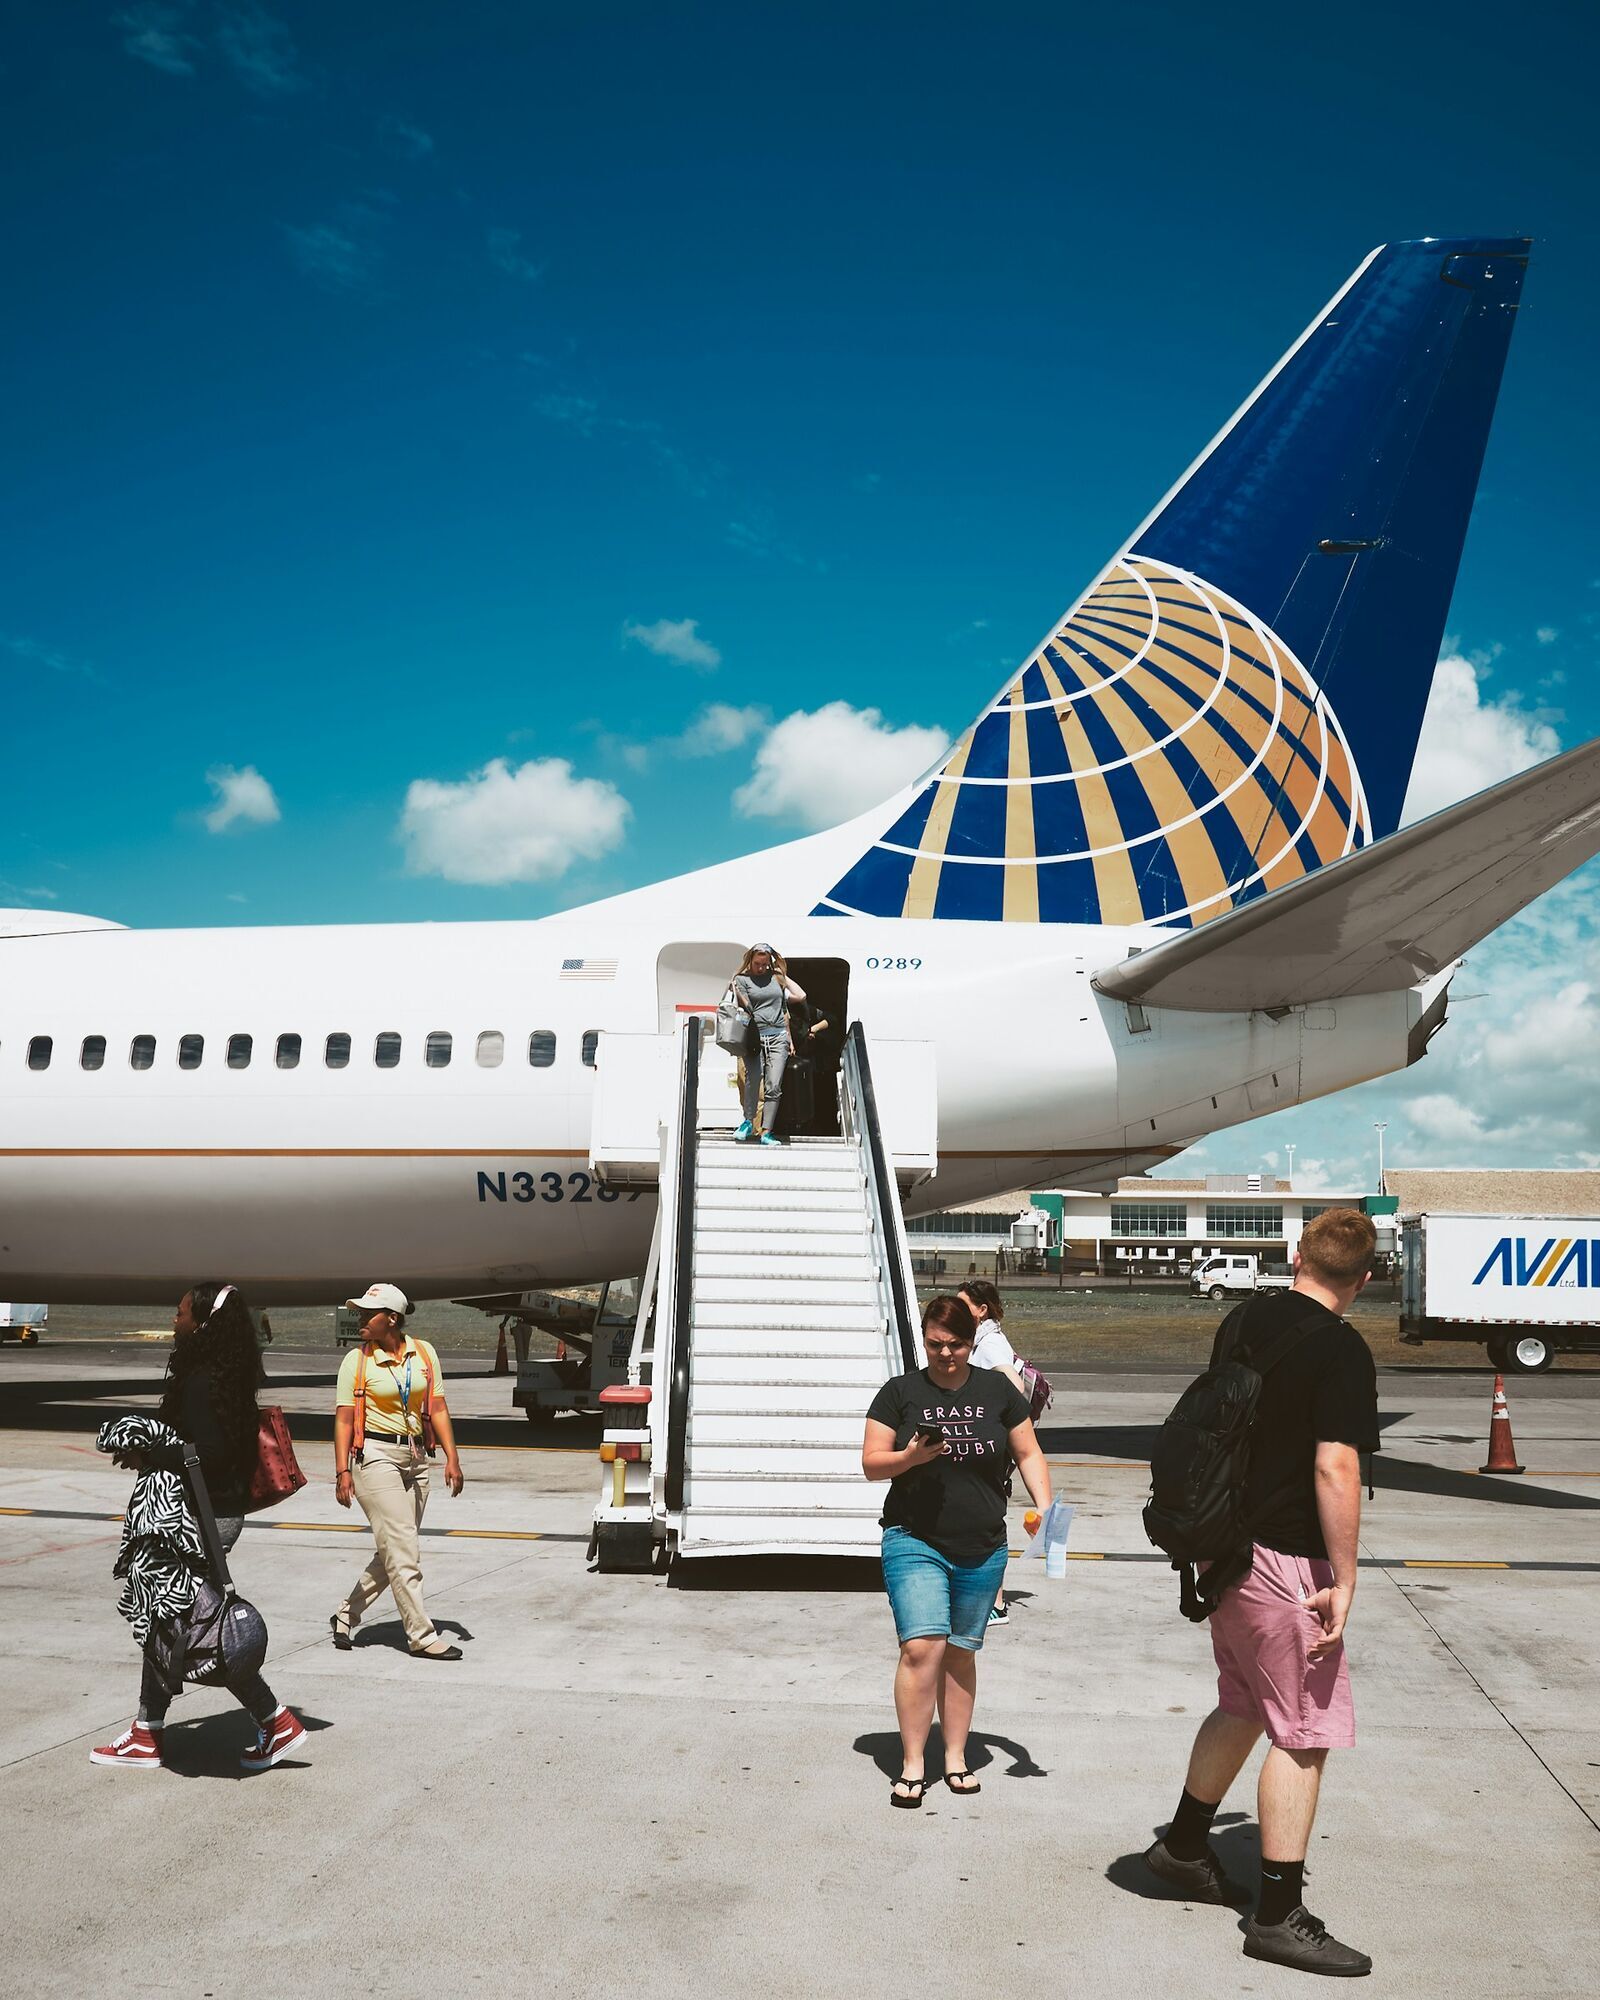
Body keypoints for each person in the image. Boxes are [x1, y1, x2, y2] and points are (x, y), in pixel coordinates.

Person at [1143, 1209, 1379, 1977]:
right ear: (1366, 1279)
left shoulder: (1244, 1319)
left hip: (1227, 1550)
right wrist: (1344, 1578)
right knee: (1303, 1732)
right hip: (1285, 1559)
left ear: (1296, 1254)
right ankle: (1278, 1915)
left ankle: (1182, 1847)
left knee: (1244, 1700)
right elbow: (1334, 1468)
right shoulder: (1342, 1349)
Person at [90, 1283, 306, 1772]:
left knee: (192, 1625)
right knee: (169, 1621)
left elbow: (204, 1454)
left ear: (203, 1322)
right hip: (215, 1513)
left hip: (197, 1518)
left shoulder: (203, 1379)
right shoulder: (224, 1375)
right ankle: (150, 1731)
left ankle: (272, 1720)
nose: (174, 1318)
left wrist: (146, 1450)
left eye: (181, 1311)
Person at [861, 1294, 1052, 1807]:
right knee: (922, 1648)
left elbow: (1029, 1451)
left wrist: (1046, 1509)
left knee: (961, 1651)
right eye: (936, 1344)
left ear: (973, 1340)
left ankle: (956, 1757)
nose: (946, 1355)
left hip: (982, 1545)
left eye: (957, 1345)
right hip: (914, 1538)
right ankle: (913, 1763)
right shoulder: (899, 1393)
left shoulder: (997, 1391)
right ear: (924, 1340)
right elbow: (872, 1464)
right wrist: (909, 1456)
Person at [331, 1283, 466, 1660]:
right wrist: (342, 1471)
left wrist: (452, 1457)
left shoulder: (424, 1353)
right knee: (404, 1549)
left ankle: (346, 1614)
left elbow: (436, 1407)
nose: (359, 1318)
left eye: (366, 1313)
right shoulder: (356, 1361)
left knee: (392, 1548)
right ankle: (421, 1636)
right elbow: (343, 1420)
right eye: (358, 1312)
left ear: (392, 1318)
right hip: (373, 1456)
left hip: (416, 1456)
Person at [957, 1279, 1028, 1626]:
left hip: (992, 1450)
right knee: (981, 1521)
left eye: (963, 1305)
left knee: (987, 1523)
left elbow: (1012, 1386)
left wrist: (996, 1427)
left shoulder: (991, 1344)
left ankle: (996, 1603)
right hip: (987, 1447)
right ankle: (986, 1598)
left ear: (981, 1309)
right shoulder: (983, 1340)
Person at [730, 943, 805, 1145]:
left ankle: (766, 1132)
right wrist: (738, 983)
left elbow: (801, 995)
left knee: (774, 1086)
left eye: (764, 964)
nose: (761, 968)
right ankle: (747, 1121)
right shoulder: (742, 980)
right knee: (753, 1080)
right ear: (750, 961)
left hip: (778, 1036)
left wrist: (782, 975)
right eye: (757, 964)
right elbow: (745, 1004)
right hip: (754, 1035)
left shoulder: (776, 980)